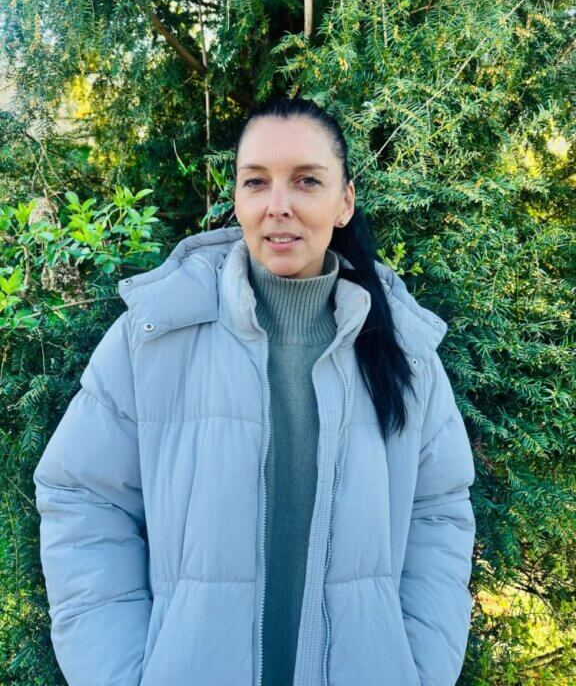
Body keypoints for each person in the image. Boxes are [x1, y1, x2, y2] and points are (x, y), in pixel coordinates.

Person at [33, 96, 476, 686]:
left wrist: (419, 669)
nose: (278, 205)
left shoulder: (406, 353)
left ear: (344, 202)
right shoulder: (155, 335)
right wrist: (119, 674)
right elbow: (83, 496)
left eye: (307, 181)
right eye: (257, 182)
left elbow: (439, 512)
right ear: (237, 199)